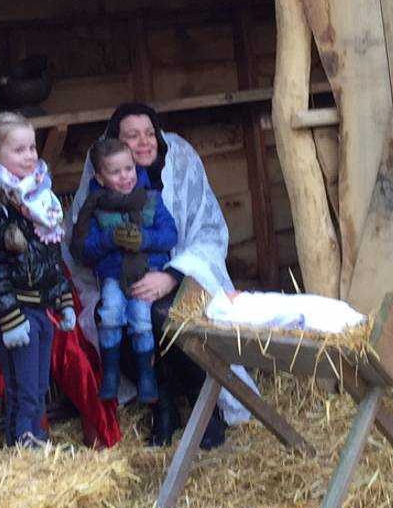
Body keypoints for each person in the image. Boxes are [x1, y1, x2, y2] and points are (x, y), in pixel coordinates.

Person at [67, 103, 253, 449]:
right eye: (132, 136)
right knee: (109, 317)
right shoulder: (99, 187)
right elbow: (79, 246)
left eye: (149, 133)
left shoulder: (178, 161)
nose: (144, 142)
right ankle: (163, 405)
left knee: (166, 313)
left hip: (182, 276)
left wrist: (171, 275)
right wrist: (111, 250)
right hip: (123, 281)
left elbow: (209, 233)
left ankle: (205, 406)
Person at [0, 112, 76, 446]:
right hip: (16, 311)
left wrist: (63, 298)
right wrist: (8, 317)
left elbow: (50, 258)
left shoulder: (39, 198)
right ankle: (23, 445)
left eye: (32, 148)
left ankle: (35, 439)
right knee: (22, 387)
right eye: (19, 150)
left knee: (38, 385)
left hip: (41, 306)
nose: (29, 156)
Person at [71, 137, 178, 404]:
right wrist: (110, 239)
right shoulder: (94, 207)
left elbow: (169, 235)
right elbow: (82, 249)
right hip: (113, 276)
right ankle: (111, 375)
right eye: (115, 172)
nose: (125, 176)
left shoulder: (151, 199)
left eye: (128, 169)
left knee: (141, 320)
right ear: (100, 176)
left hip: (145, 274)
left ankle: (146, 376)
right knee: (110, 314)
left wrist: (144, 239)